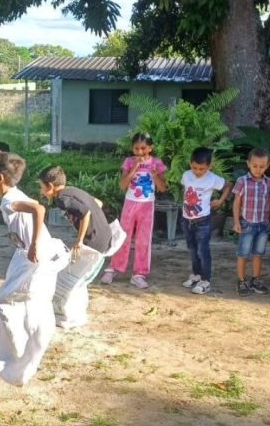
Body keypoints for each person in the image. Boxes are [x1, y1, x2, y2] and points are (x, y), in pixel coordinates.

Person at [0, 151, 70, 385]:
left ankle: (18, 361)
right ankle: (15, 360)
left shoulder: (9, 199)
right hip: (30, 254)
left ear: (0, 178)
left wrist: (33, 245)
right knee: (27, 303)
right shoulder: (11, 195)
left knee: (5, 301)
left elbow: (38, 209)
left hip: (35, 256)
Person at [39, 165, 125, 328]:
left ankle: (68, 317)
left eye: (42, 188)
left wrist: (79, 240)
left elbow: (85, 212)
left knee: (70, 280)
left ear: (50, 186)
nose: (42, 192)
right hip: (103, 238)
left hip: (94, 243)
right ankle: (75, 313)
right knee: (79, 279)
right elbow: (97, 203)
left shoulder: (61, 199)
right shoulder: (73, 191)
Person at [101, 132, 167, 289]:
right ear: (132, 148)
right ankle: (114, 268)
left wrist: (156, 175)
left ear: (150, 148)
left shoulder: (156, 162)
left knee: (143, 240)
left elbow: (163, 188)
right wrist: (134, 168)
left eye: (143, 148)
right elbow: (122, 186)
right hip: (130, 204)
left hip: (147, 206)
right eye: (136, 149)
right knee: (123, 236)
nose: (139, 152)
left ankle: (139, 273)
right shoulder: (129, 162)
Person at [179, 147, 231, 295]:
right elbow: (186, 190)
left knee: (203, 251)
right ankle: (196, 274)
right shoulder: (186, 175)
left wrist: (220, 201)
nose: (197, 171)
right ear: (190, 164)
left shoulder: (212, 178)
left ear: (209, 166)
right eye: (194, 167)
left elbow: (228, 185)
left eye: (201, 169)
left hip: (202, 222)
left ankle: (206, 280)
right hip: (186, 220)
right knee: (192, 250)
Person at [232, 148, 270, 296]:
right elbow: (237, 203)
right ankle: (241, 280)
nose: (258, 169)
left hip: (262, 224)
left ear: (268, 165)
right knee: (243, 253)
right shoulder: (242, 181)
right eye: (255, 166)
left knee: (258, 253)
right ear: (248, 164)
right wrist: (237, 221)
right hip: (247, 224)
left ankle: (256, 279)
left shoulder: (269, 182)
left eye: (262, 166)